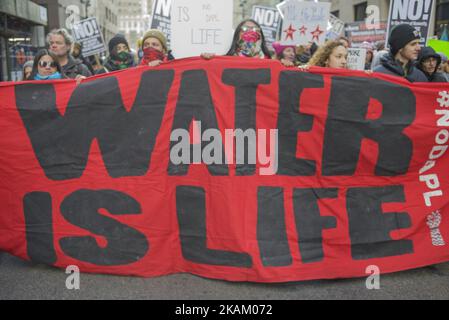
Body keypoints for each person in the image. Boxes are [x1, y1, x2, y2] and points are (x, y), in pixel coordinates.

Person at [201, 19, 271, 60]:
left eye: (255, 29)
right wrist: (209, 60)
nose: (250, 32)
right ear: (237, 37)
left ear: (261, 36)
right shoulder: (227, 60)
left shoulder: (270, 63)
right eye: (245, 29)